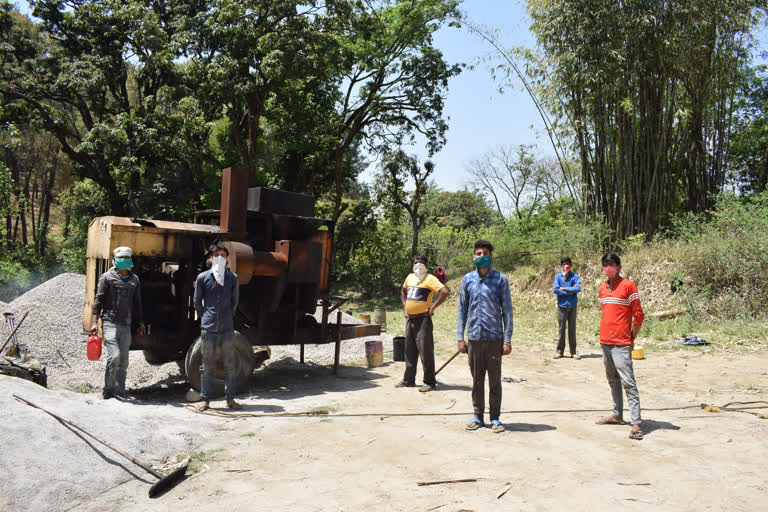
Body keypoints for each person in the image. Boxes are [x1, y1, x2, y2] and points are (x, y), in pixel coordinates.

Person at [457, 240, 513, 433]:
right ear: (474, 256)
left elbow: (507, 312)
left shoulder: (500, 280)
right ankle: (477, 416)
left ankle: (495, 418)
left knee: (495, 380)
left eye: (486, 253)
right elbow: (462, 311)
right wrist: (460, 337)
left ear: (491, 256)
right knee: (477, 380)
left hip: (494, 340)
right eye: (478, 253)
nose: (482, 256)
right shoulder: (467, 280)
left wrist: (507, 340)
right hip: (474, 339)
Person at [595, 252, 645, 440]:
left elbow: (638, 315)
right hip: (605, 342)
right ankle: (617, 414)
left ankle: (636, 424)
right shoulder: (602, 289)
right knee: (612, 380)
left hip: (622, 343)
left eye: (611, 265)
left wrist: (631, 337)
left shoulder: (629, 286)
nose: (607, 268)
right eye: (605, 265)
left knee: (628, 383)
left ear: (619, 267)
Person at [91, 246, 145, 400]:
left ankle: (120, 390)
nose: (123, 260)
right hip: (110, 322)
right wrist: (95, 322)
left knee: (124, 359)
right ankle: (108, 389)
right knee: (114, 356)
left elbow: (138, 303)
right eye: (120, 257)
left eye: (126, 258)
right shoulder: (106, 278)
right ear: (115, 260)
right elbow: (98, 300)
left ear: (130, 260)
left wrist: (141, 322)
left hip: (126, 324)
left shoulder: (134, 280)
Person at [194, 243, 241, 411]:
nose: (219, 257)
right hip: (209, 329)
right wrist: (205, 318)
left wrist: (227, 317)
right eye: (216, 255)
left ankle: (230, 399)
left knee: (230, 364)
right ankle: (205, 400)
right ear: (210, 258)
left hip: (227, 329)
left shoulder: (232, 278)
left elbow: (234, 302)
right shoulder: (203, 278)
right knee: (207, 366)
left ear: (227, 258)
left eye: (223, 255)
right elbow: (197, 302)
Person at [397, 254, 449, 392]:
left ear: (426, 265)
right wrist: (405, 307)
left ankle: (429, 382)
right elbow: (403, 292)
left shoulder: (430, 279)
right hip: (410, 319)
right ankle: (408, 380)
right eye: (415, 262)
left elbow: (444, 292)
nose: (418, 265)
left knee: (425, 351)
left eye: (421, 262)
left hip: (423, 320)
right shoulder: (409, 277)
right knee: (409, 351)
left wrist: (432, 308)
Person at [553, 256, 581, 359]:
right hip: (562, 306)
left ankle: (573, 352)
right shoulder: (558, 277)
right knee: (561, 329)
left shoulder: (575, 277)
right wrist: (570, 291)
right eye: (564, 264)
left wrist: (564, 288)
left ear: (571, 265)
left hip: (572, 306)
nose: (566, 266)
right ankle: (560, 351)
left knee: (572, 329)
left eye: (567, 264)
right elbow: (555, 289)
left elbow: (578, 288)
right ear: (561, 266)